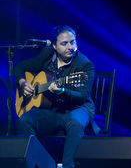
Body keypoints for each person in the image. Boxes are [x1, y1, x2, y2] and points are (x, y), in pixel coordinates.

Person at [14, 25, 95, 168]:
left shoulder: (85, 65)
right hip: (53, 110)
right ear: (54, 46)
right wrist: (22, 83)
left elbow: (82, 96)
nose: (70, 47)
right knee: (25, 120)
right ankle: (39, 163)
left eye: (73, 42)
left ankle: (67, 165)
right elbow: (19, 67)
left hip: (79, 108)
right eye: (64, 43)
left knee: (75, 122)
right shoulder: (47, 54)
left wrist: (62, 90)